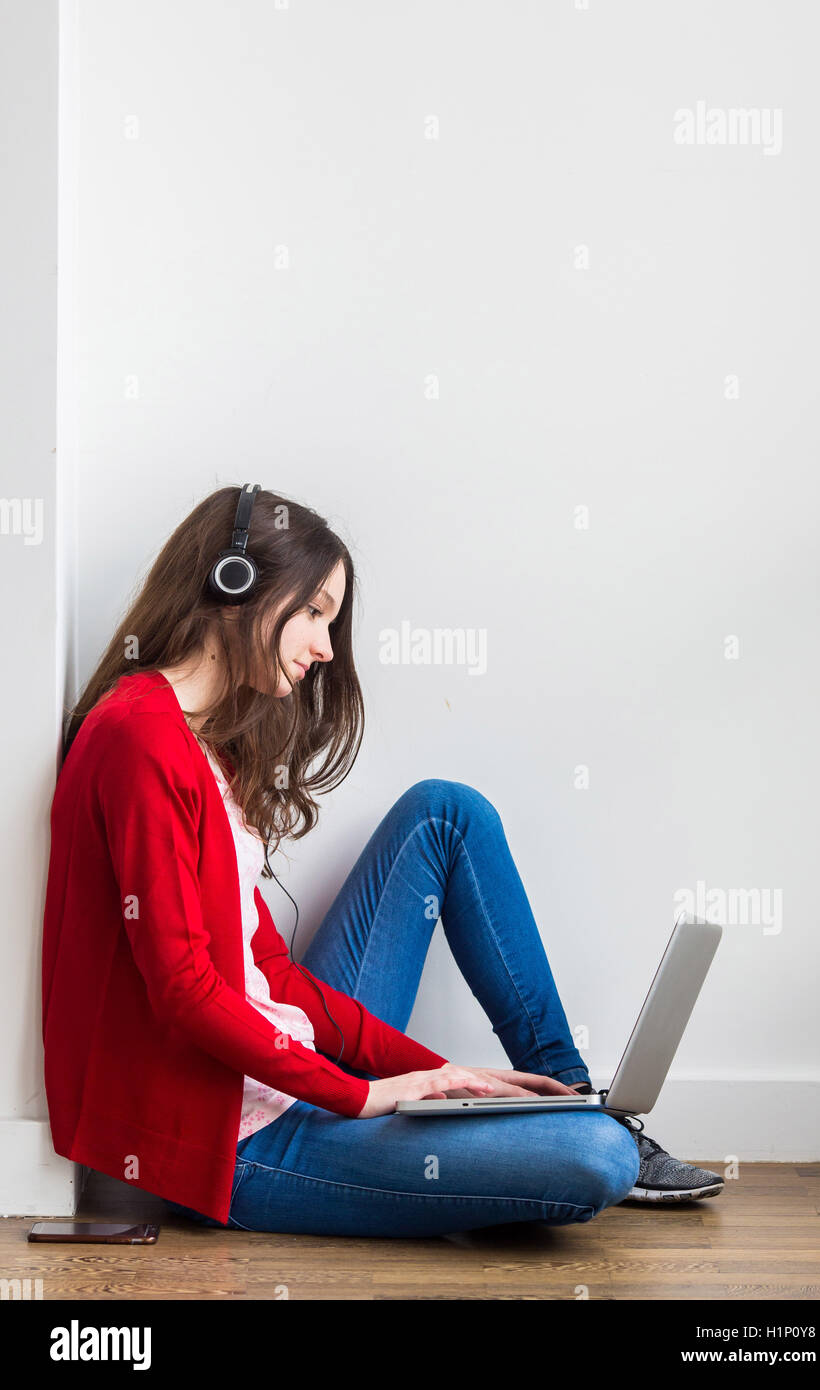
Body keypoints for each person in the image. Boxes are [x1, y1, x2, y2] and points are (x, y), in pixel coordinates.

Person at [42, 484, 723, 1238]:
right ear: (233, 587)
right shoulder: (137, 738)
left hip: (278, 1068)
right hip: (229, 1140)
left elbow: (271, 972)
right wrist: (364, 1096)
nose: (326, 648)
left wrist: (448, 1077)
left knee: (445, 813)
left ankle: (564, 1091)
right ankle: (593, 1131)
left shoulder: (206, 750)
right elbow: (184, 992)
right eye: (314, 612)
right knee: (596, 1160)